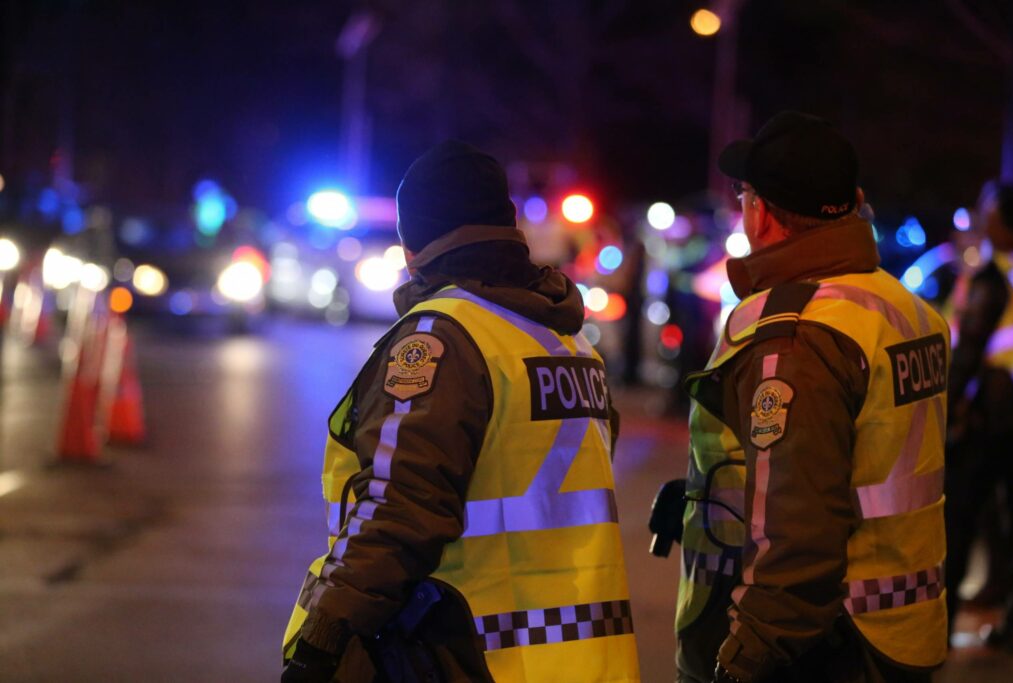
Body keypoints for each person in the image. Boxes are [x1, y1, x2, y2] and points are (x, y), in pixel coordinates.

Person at [281, 140, 640, 682]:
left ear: (413, 244)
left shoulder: (441, 338)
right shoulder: (565, 342)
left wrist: (326, 634)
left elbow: (399, 507)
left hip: (471, 654)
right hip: (585, 659)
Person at [672, 112, 948, 682]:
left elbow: (798, 530)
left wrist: (745, 655)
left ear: (762, 213)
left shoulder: (797, 332)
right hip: (903, 629)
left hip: (822, 645)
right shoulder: (903, 308)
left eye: (744, 193)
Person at [943, 183, 1013, 649]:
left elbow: (970, 349)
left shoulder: (995, 277)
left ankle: (942, 621)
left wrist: (947, 407)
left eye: (988, 211)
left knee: (960, 520)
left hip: (990, 422)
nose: (981, 216)